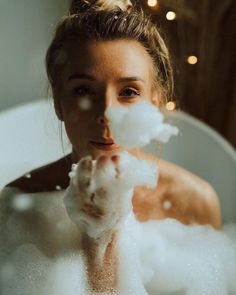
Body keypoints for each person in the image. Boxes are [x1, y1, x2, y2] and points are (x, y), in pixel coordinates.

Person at [1, 0, 222, 293]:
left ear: (154, 103)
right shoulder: (14, 209)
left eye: (129, 92)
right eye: (83, 90)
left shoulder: (194, 203)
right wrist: (96, 239)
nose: (106, 113)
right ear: (58, 103)